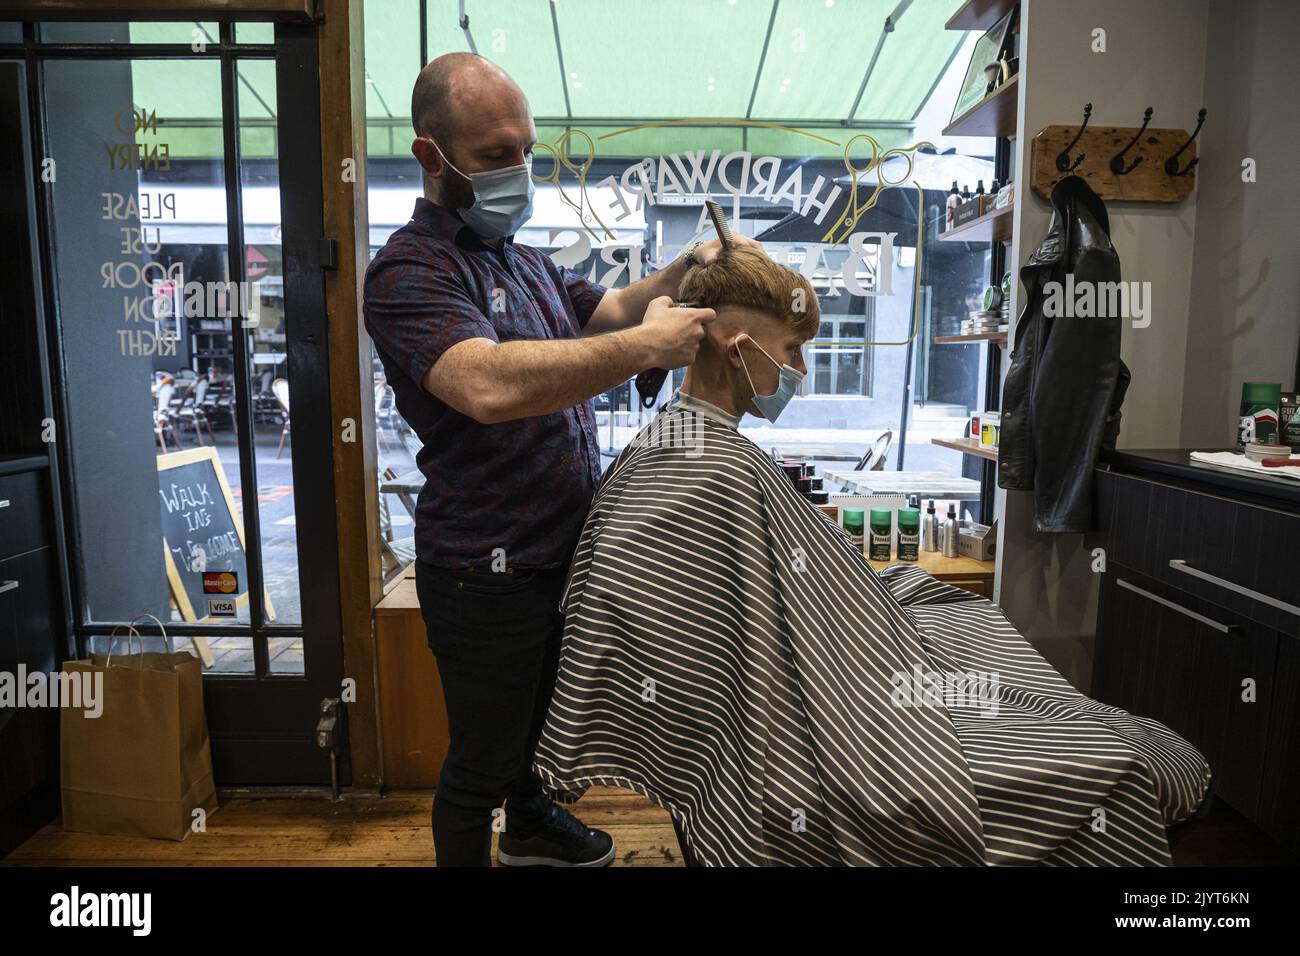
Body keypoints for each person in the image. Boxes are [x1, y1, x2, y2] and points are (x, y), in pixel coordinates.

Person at [531, 246, 1213, 866]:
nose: (800, 369)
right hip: (821, 738)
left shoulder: (679, 446)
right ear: (738, 351)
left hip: (830, 676)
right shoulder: (715, 470)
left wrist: (854, 597)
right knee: (1115, 761)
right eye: (794, 349)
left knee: (938, 604)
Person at [361, 51, 762, 867]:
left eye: (526, 150)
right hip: (484, 565)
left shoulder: (522, 256)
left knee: (540, 731)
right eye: (495, 154)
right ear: (431, 157)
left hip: (561, 547)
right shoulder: (408, 269)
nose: (519, 169)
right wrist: (643, 347)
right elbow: (486, 386)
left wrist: (688, 268)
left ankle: (534, 827)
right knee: (481, 759)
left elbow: (609, 310)